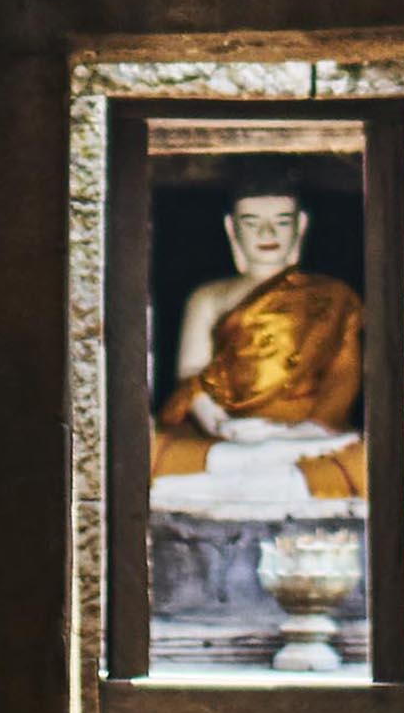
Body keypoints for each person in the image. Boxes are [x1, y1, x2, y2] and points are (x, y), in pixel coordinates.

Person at [150, 179, 368, 502]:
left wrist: (309, 430)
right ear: (231, 228)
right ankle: (275, 475)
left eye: (281, 221)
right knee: (149, 449)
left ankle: (249, 476)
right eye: (252, 223)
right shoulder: (209, 297)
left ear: (301, 224)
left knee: (366, 459)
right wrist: (221, 426)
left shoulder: (335, 298)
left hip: (306, 435)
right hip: (230, 434)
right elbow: (191, 378)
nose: (267, 234)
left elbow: (344, 376)